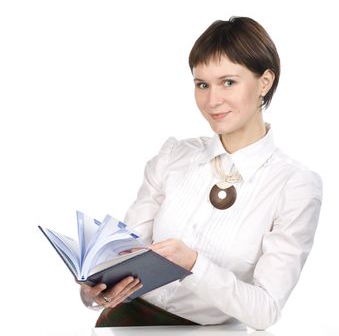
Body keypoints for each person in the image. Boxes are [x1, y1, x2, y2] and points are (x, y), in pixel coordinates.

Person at [79, 16, 322, 330]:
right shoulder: (173, 157)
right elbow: (124, 254)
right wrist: (95, 290)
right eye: (202, 84)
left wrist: (193, 264)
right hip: (124, 324)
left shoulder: (295, 185)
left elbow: (265, 311)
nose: (212, 100)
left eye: (228, 82)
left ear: (264, 81)